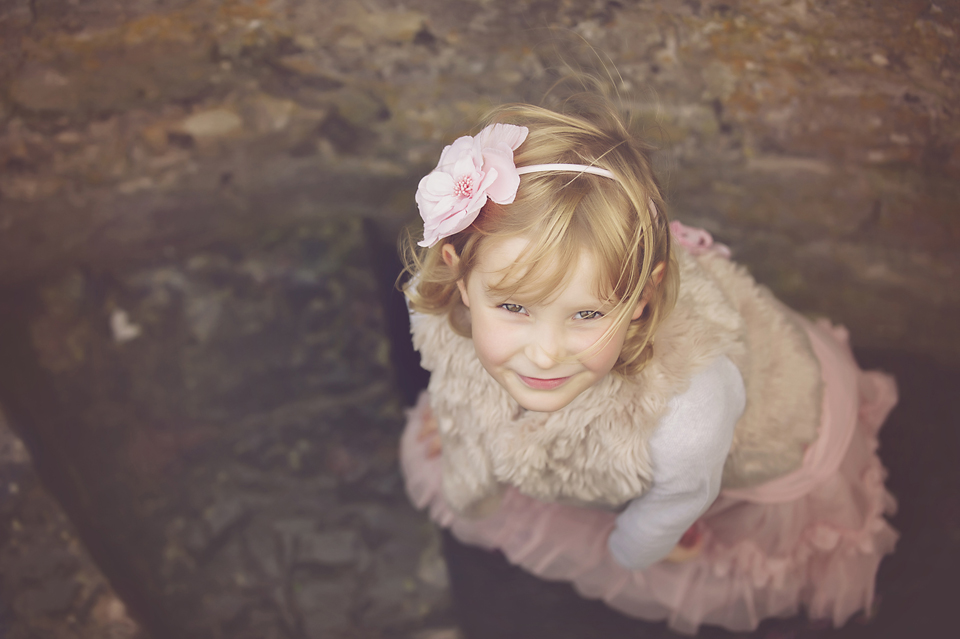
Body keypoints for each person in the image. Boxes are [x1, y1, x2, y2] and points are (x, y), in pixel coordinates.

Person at [398, 92, 898, 635]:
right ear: (460, 276)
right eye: (514, 307)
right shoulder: (440, 298)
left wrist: (633, 548)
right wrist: (464, 425)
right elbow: (459, 372)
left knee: (668, 525)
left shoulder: (689, 412)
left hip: (776, 439)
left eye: (587, 314)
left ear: (641, 296)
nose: (545, 351)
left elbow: (680, 497)